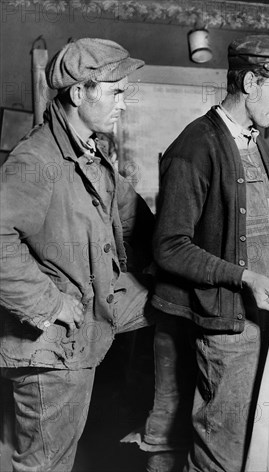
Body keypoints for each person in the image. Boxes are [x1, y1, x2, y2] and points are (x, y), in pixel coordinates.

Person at [145, 34, 269, 472]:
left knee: (254, 447)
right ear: (249, 82)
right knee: (223, 452)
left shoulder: (252, 139)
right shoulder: (197, 145)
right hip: (228, 322)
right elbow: (169, 247)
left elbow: (265, 231)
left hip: (264, 315)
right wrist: (245, 279)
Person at [0, 38, 154, 471]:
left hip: (93, 315)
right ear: (78, 92)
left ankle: (156, 430)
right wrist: (49, 306)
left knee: (180, 302)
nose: (124, 103)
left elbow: (131, 215)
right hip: (52, 346)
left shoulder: (89, 152)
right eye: (116, 91)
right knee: (46, 465)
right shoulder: (36, 159)